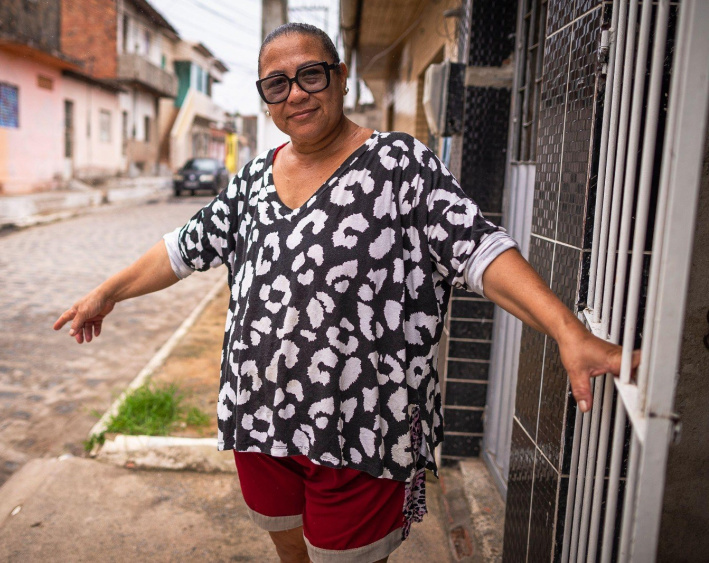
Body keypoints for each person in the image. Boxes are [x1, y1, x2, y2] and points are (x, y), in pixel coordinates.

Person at [54, 23, 638, 563]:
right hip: (259, 420)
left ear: (338, 77)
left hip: (361, 431)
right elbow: (182, 247)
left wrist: (568, 330)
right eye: (277, 84)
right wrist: (108, 293)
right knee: (287, 545)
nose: (297, 94)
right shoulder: (254, 180)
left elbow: (481, 252)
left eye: (311, 74)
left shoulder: (399, 165)